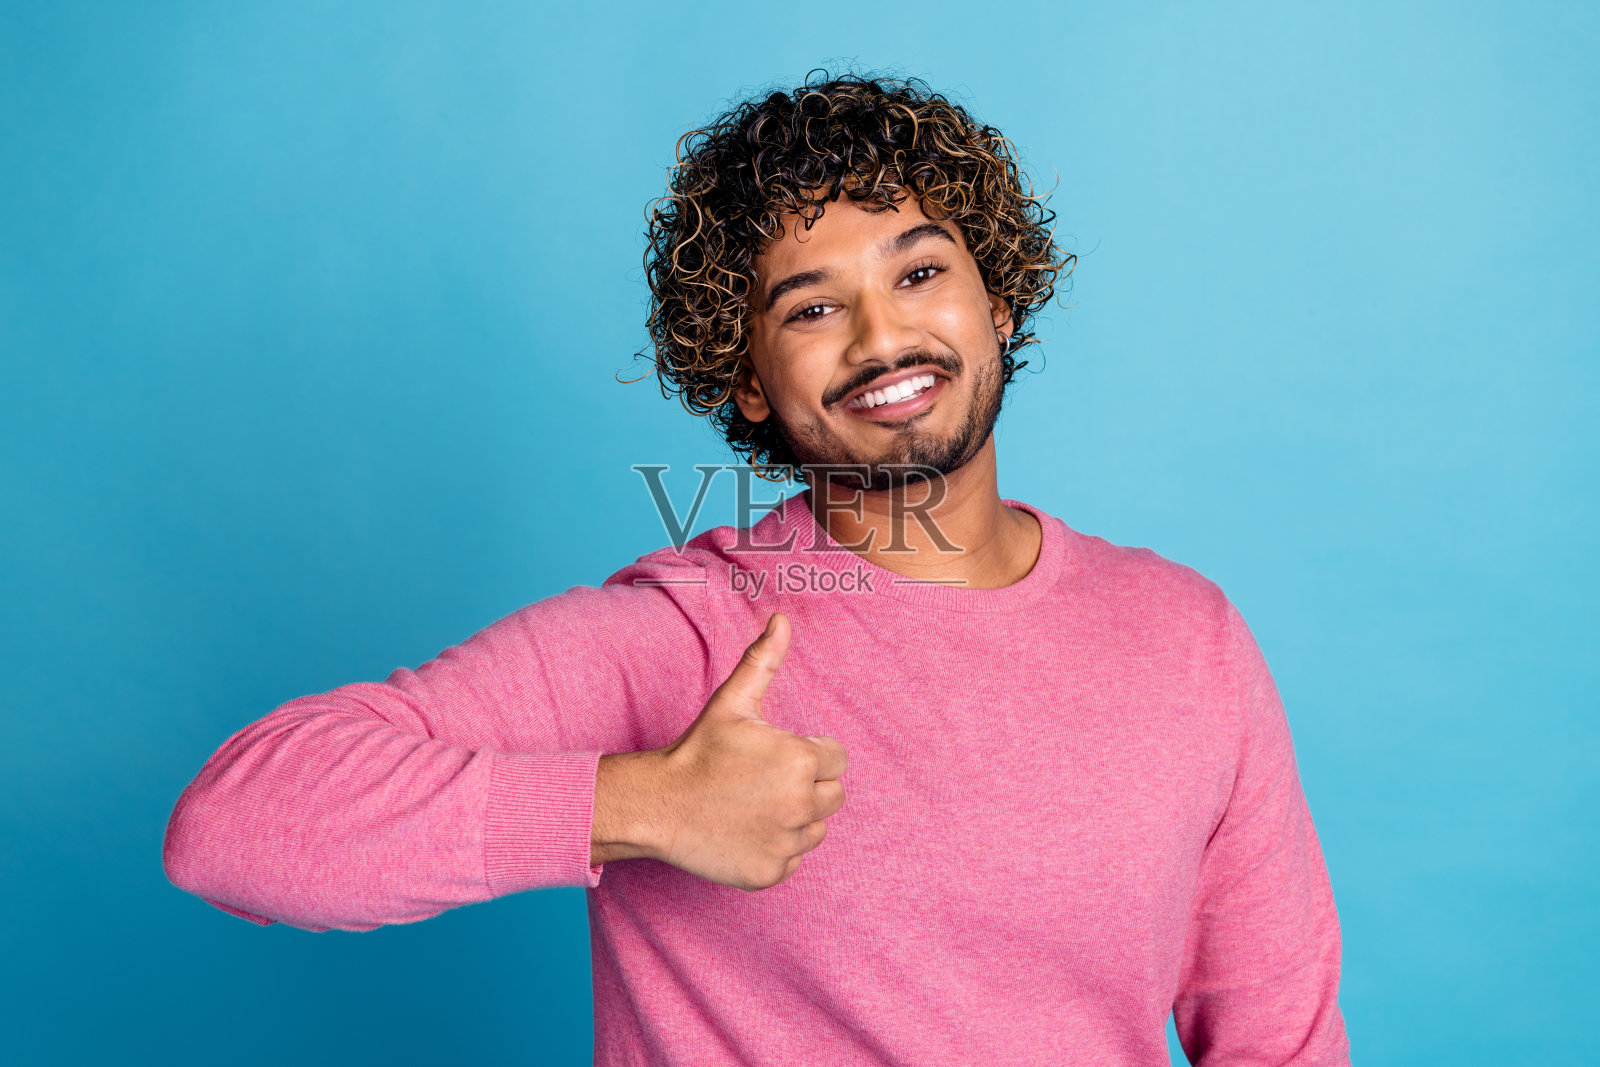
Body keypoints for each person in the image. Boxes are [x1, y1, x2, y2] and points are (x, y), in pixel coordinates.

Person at [164, 71, 1351, 1066]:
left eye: (920, 272)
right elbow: (235, 825)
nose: (883, 338)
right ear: (745, 380)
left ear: (999, 297)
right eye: (810, 309)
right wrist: (635, 804)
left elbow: (1279, 1038)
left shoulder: (1185, 635)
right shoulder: (686, 633)